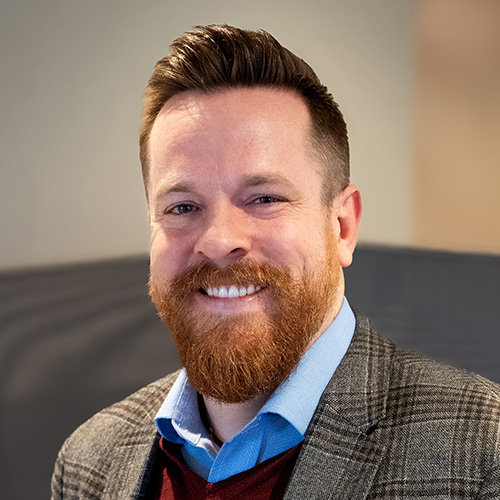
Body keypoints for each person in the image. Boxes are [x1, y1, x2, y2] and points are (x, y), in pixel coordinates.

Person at [51, 24, 500, 499]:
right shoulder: (88, 464)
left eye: (264, 198)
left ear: (342, 226)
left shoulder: (482, 455)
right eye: (182, 207)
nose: (218, 241)